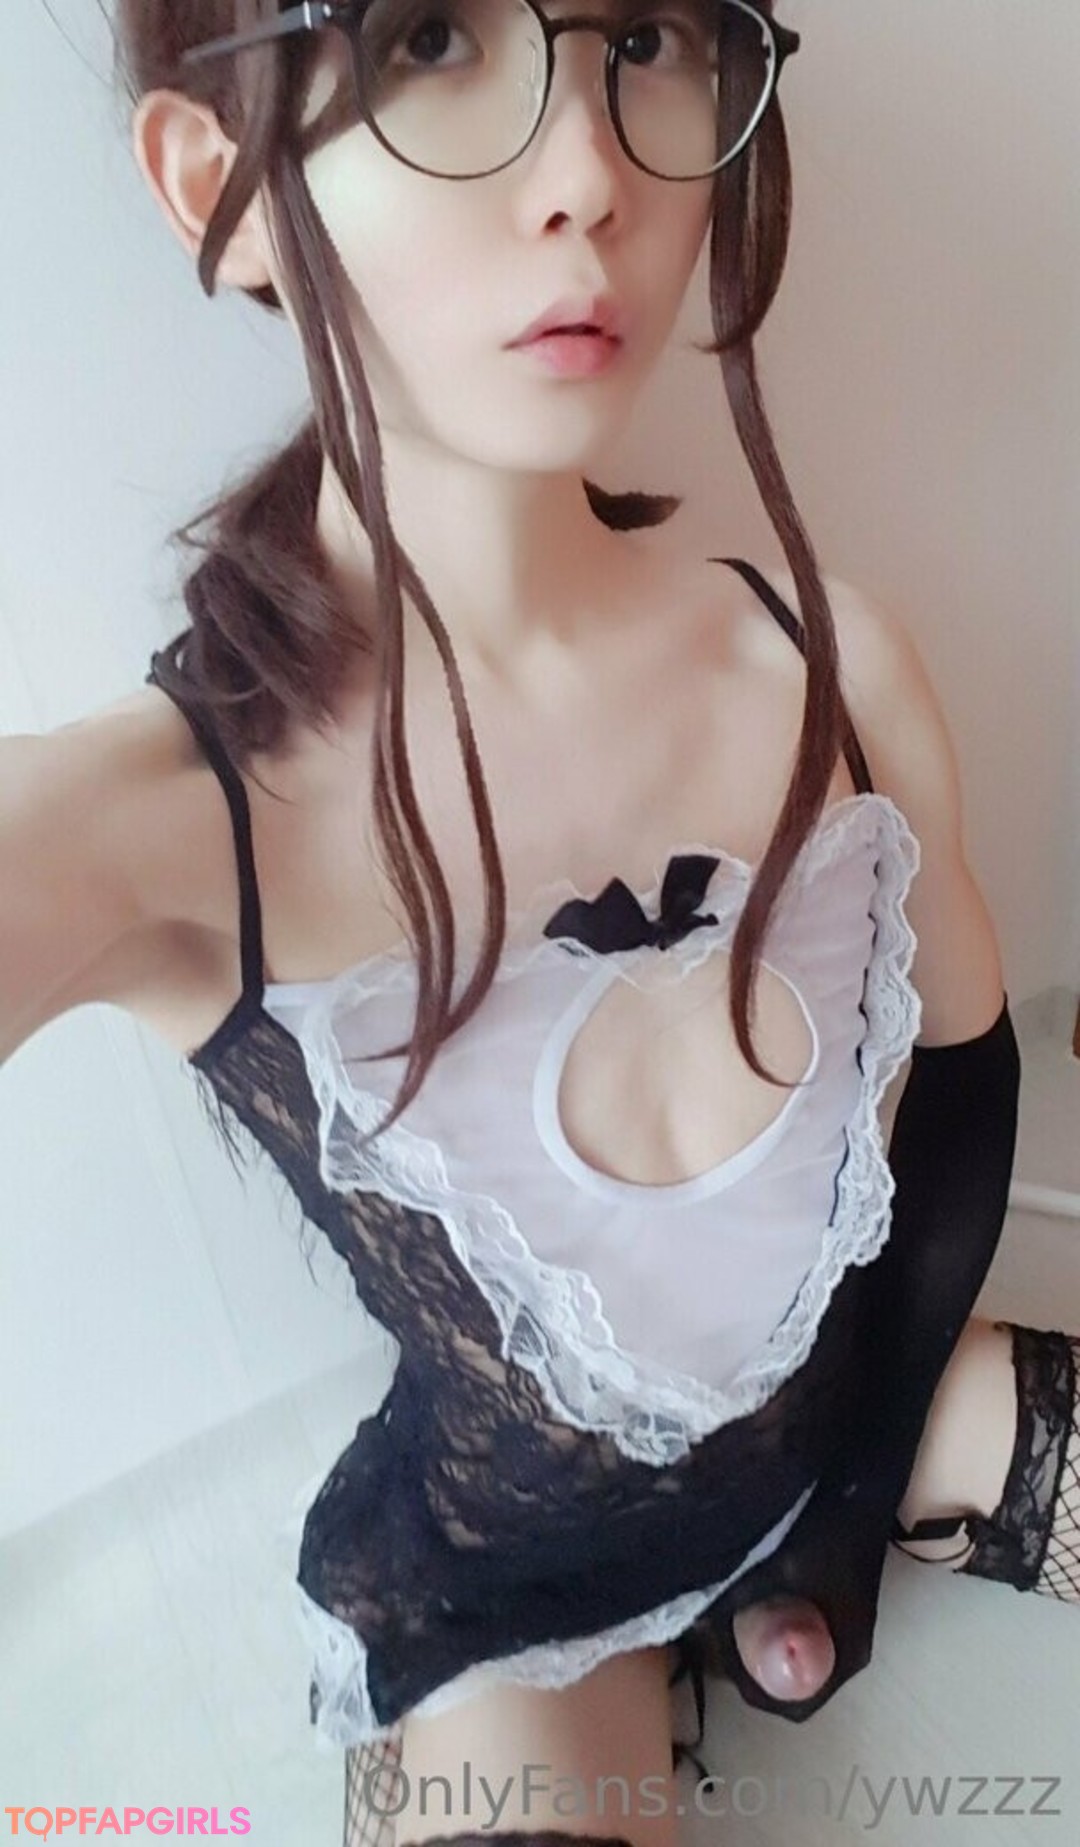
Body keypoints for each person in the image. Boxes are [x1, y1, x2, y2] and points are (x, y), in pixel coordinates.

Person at [2, 2, 1077, 1844]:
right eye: (429, 35)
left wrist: (844, 1524)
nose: (589, 170)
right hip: (524, 1585)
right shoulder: (163, 830)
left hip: (868, 1406)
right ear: (215, 186)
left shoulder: (824, 658)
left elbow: (965, 1097)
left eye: (643, 33)